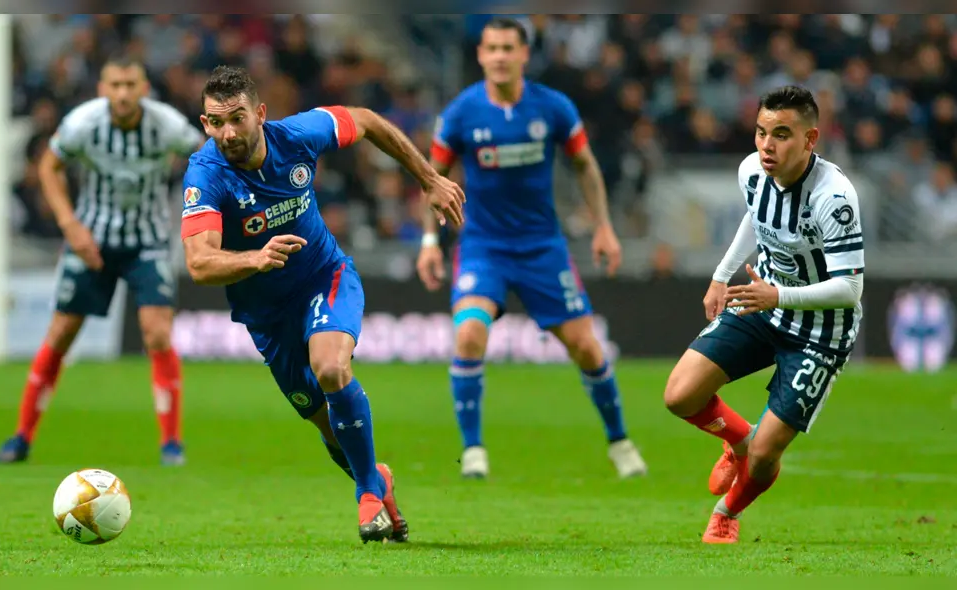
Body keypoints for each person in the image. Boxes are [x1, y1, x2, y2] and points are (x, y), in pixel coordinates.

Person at [180, 66, 464, 543]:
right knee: (331, 428)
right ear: (205, 122)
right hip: (267, 319)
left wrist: (428, 178)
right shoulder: (206, 175)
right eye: (215, 121)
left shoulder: (298, 135)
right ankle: (377, 481)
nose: (227, 132)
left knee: (331, 369)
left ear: (260, 114)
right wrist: (256, 258)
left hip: (324, 278)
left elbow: (368, 121)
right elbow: (199, 263)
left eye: (237, 118)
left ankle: (366, 497)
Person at [418, 17, 647, 480]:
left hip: (543, 248)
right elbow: (431, 179)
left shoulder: (553, 108)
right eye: (491, 48)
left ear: (524, 54)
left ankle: (620, 441)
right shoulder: (461, 113)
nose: (500, 56)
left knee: (586, 347)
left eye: (508, 47)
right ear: (480, 56)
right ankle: (474, 450)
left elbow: (584, 165)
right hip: (484, 247)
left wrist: (603, 226)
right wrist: (429, 241)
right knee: (468, 335)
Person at [663, 85, 865, 543]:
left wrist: (778, 297)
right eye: (760, 132)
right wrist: (721, 275)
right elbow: (757, 216)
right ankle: (738, 439)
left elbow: (850, 288)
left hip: (819, 330)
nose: (766, 145)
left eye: (781, 134)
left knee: (765, 456)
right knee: (680, 395)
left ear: (810, 139)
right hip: (763, 303)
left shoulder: (834, 198)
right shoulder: (752, 171)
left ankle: (727, 510)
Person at [0, 56, 204, 466]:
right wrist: (70, 225)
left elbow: (207, 157)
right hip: (92, 240)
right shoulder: (83, 124)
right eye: (115, 85)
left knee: (157, 334)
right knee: (61, 333)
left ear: (143, 88)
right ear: (103, 89)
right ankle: (21, 438)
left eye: (130, 84)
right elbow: (49, 166)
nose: (123, 93)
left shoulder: (168, 124)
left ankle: (171, 444)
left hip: (148, 241)